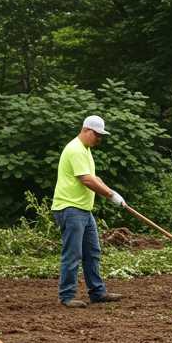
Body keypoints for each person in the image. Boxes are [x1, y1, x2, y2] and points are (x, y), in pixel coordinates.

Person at [51, 115, 126, 308]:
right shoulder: (75, 149)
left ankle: (97, 293)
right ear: (86, 130)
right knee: (73, 253)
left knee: (92, 252)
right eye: (97, 135)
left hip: (83, 209)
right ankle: (66, 296)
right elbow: (86, 179)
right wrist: (109, 195)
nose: (99, 139)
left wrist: (113, 193)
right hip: (70, 208)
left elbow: (95, 178)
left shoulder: (85, 150)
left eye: (101, 136)